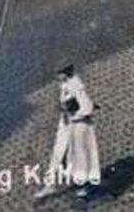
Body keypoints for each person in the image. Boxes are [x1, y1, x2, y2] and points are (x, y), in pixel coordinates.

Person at [34, 63, 101, 201]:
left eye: (59, 72)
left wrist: (74, 116)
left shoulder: (75, 84)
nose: (57, 76)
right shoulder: (65, 83)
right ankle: (50, 185)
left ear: (66, 72)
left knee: (78, 156)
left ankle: (85, 187)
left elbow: (87, 107)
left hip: (77, 126)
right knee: (58, 154)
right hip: (65, 125)